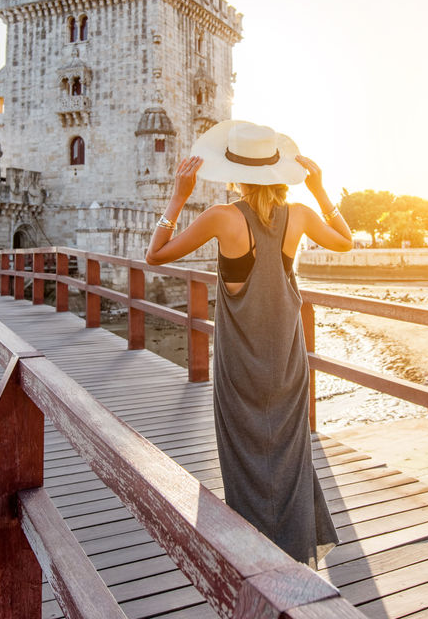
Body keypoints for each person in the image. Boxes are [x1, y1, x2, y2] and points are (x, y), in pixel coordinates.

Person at [144, 120, 352, 567]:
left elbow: (155, 255)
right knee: (291, 455)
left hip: (240, 362)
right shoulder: (298, 214)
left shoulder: (223, 217)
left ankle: (254, 556)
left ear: (234, 173)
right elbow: (346, 241)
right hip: (289, 358)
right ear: (277, 172)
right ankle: (295, 553)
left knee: (242, 455)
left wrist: (177, 198)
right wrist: (318, 189)